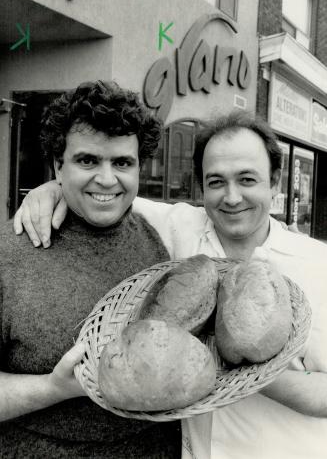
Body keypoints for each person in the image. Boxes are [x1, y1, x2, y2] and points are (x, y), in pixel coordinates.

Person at [14, 112, 327, 458]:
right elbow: (107, 191)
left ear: (276, 181)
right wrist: (52, 189)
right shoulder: (178, 228)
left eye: (248, 179)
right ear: (201, 187)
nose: (232, 197)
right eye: (216, 182)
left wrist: (246, 372)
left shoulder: (317, 263)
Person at [1, 81, 181, 458]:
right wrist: (53, 389)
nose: (106, 178)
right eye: (87, 161)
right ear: (57, 166)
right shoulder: (10, 253)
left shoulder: (157, 240)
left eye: (122, 163)